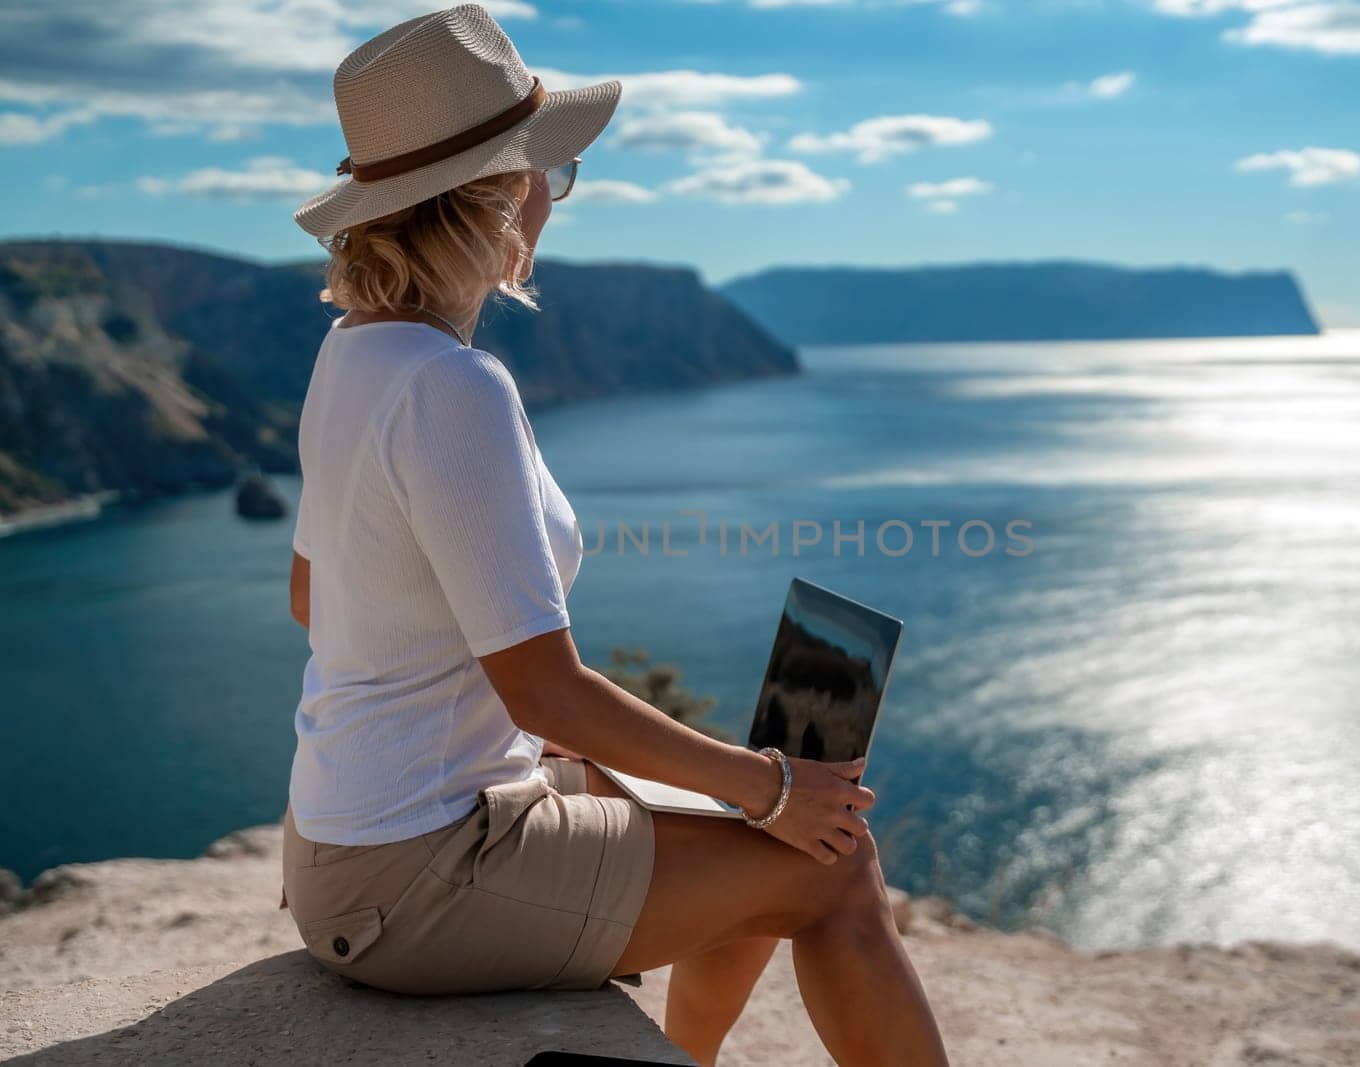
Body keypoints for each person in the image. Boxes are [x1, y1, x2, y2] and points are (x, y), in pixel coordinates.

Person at [281, 6, 949, 1065]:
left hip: (352, 837)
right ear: (500, 196)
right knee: (830, 865)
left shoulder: (351, 351)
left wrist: (508, 740)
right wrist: (767, 785)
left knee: (752, 842)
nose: (553, 194)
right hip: (417, 873)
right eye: (548, 169)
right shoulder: (453, 387)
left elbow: (316, 598)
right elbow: (542, 686)